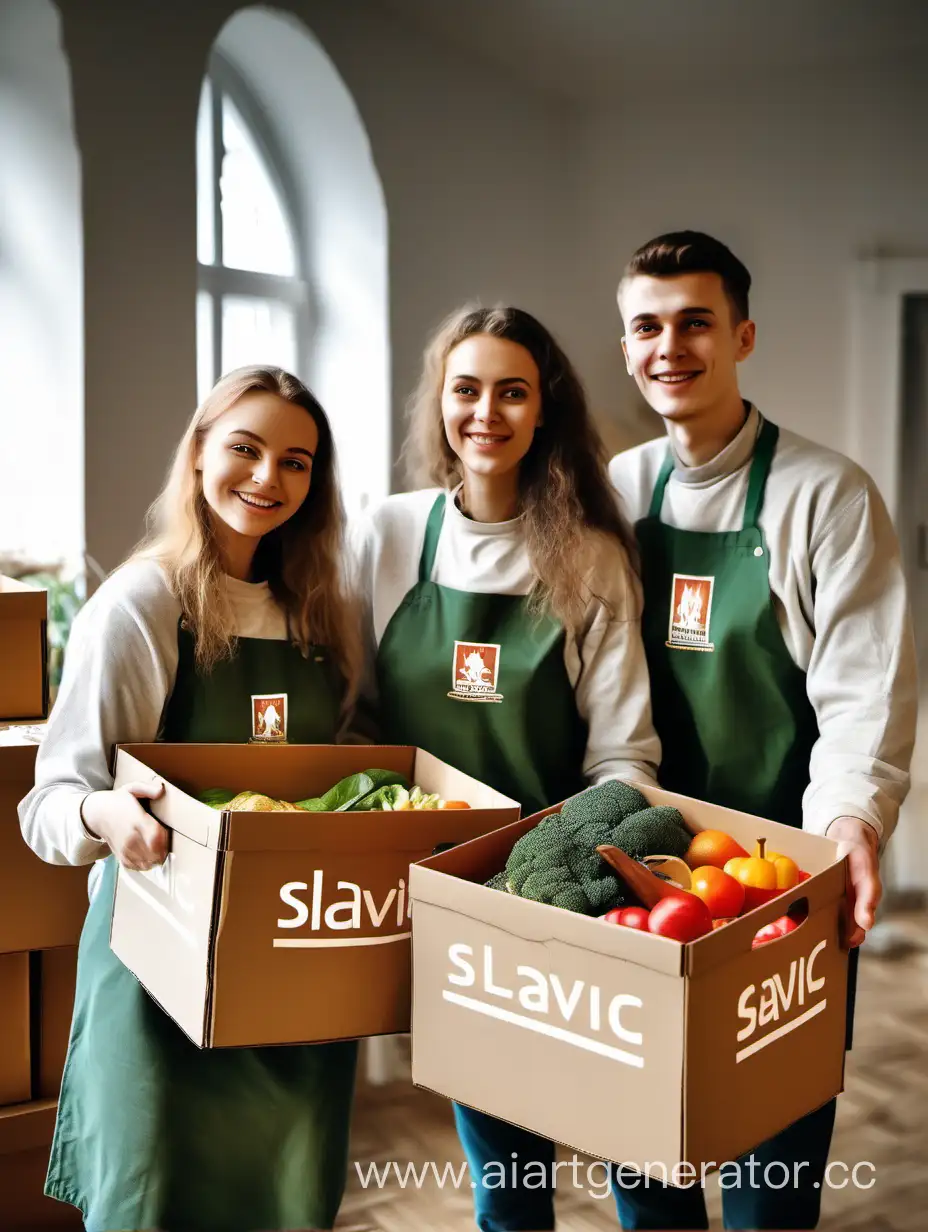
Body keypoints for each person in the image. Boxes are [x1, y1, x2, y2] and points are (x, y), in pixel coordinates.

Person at [608, 231, 917, 1230]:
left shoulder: (826, 495)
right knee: (643, 1154)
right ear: (626, 348)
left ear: (741, 334)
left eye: (695, 321)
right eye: (646, 326)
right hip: (642, 879)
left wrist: (853, 823)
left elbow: (864, 689)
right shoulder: (612, 491)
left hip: (779, 874)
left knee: (770, 1177)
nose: (670, 346)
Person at [19, 366, 363, 1232]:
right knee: (155, 1207)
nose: (266, 478)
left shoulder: (323, 615)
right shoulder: (144, 602)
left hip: (292, 970)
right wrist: (109, 816)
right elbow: (52, 799)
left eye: (296, 461)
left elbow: (342, 774)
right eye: (244, 448)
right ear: (200, 450)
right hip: (160, 975)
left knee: (286, 1206)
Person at [353, 305, 661, 1231]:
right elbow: (360, 725)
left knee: (638, 1163)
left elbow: (623, 751)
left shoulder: (592, 558)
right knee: (509, 1186)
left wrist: (583, 881)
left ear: (543, 411)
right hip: (448, 900)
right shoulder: (389, 536)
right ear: (440, 405)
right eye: (467, 389)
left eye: (512, 392)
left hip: (563, 898)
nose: (486, 412)